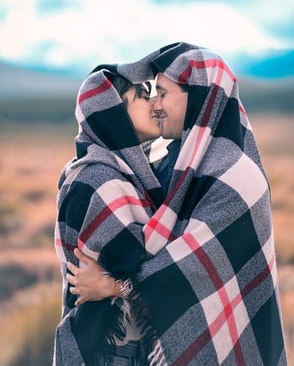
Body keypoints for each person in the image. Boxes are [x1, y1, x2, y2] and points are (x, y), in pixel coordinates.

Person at [65, 42, 288, 366]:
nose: (155, 103)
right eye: (150, 94)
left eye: (164, 94)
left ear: (198, 96)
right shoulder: (176, 165)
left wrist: (112, 286)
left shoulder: (237, 177)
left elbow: (190, 273)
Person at [53, 68, 165, 365]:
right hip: (108, 350)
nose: (155, 104)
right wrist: (116, 286)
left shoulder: (121, 175)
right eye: (142, 96)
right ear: (116, 114)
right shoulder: (101, 182)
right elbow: (158, 274)